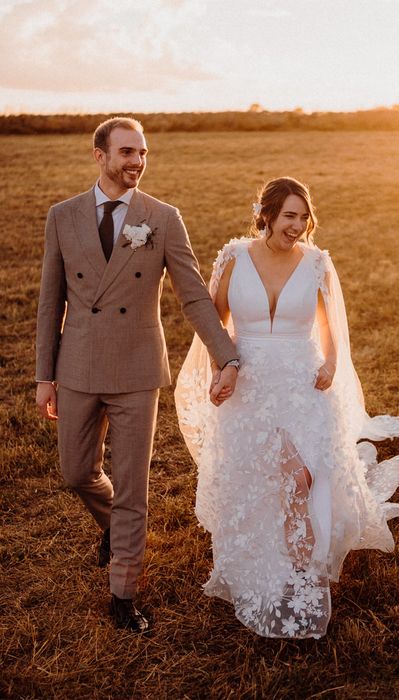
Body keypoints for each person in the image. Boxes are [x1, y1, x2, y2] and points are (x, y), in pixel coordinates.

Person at [35, 116, 239, 633]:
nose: (137, 162)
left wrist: (227, 355)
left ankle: (123, 594)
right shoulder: (62, 217)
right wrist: (44, 375)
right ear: (98, 155)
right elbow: (49, 301)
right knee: (76, 472)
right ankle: (113, 528)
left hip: (136, 370)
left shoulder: (163, 218)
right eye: (127, 152)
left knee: (132, 488)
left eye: (143, 153)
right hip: (77, 365)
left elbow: (192, 294)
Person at [175, 176, 399, 639]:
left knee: (303, 477)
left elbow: (330, 324)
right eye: (288, 216)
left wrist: (333, 362)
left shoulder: (317, 263)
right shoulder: (235, 257)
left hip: (302, 381)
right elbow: (215, 322)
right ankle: (263, 563)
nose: (297, 226)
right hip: (249, 382)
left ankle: (300, 573)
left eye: (303, 216)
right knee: (269, 477)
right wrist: (223, 367)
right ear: (267, 215)